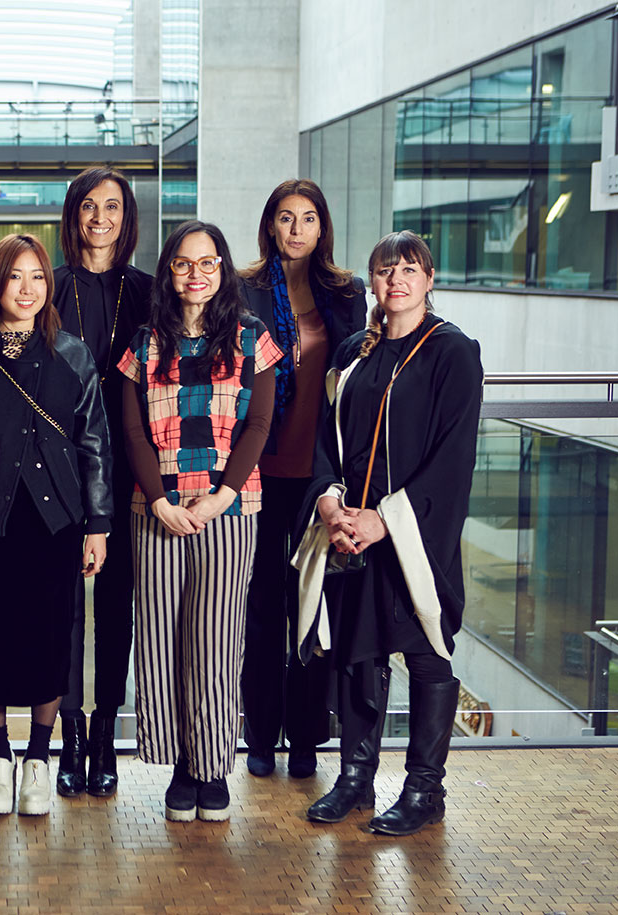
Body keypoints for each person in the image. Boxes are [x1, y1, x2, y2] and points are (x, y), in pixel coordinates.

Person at [297, 230, 482, 836]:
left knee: (426, 652)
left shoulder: (452, 351)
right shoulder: (356, 350)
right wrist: (330, 502)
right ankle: (356, 777)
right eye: (385, 270)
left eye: (408, 269)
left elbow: (453, 458)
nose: (396, 280)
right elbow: (327, 439)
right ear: (372, 281)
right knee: (358, 654)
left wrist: (387, 519)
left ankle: (425, 789)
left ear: (429, 279)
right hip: (351, 528)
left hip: (415, 531)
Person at [0, 233, 111, 817]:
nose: (27, 289)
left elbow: (94, 444)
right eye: (14, 277)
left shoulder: (73, 355)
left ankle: (38, 758)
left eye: (37, 277)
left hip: (56, 522)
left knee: (52, 639)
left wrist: (98, 523)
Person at [117, 220, 279, 822]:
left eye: (208, 263)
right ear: (169, 272)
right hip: (154, 509)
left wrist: (220, 496)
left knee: (216, 639)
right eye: (184, 264)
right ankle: (180, 765)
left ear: (222, 270)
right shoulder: (144, 342)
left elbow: (258, 425)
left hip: (229, 510)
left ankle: (211, 768)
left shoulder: (251, 336)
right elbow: (131, 430)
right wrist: (159, 499)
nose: (196, 275)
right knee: (161, 638)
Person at [238, 179, 368, 779]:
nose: (296, 229)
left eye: (308, 218)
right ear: (271, 225)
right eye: (286, 218)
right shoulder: (242, 288)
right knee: (262, 611)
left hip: (320, 478)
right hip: (257, 472)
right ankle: (261, 737)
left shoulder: (346, 293)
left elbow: (356, 379)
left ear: (322, 227)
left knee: (313, 610)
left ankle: (309, 739)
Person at [51, 165, 153, 797]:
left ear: (126, 217)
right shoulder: (48, 286)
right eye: (89, 206)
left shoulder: (150, 291)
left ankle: (106, 731)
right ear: (73, 215)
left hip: (133, 467)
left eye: (112, 207)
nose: (100, 218)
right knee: (62, 606)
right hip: (59, 470)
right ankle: (69, 732)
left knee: (117, 607)